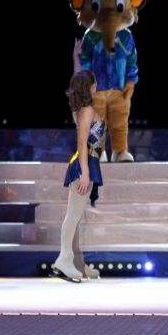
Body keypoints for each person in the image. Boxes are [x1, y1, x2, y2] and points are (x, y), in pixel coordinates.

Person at [51, 70, 104, 283]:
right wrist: (84, 172)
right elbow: (82, 142)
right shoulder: (86, 110)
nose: (96, 85)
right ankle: (64, 259)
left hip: (87, 163)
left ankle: (78, 263)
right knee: (73, 215)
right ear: (89, 87)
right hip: (83, 165)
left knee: (76, 215)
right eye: (94, 83)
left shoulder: (82, 108)